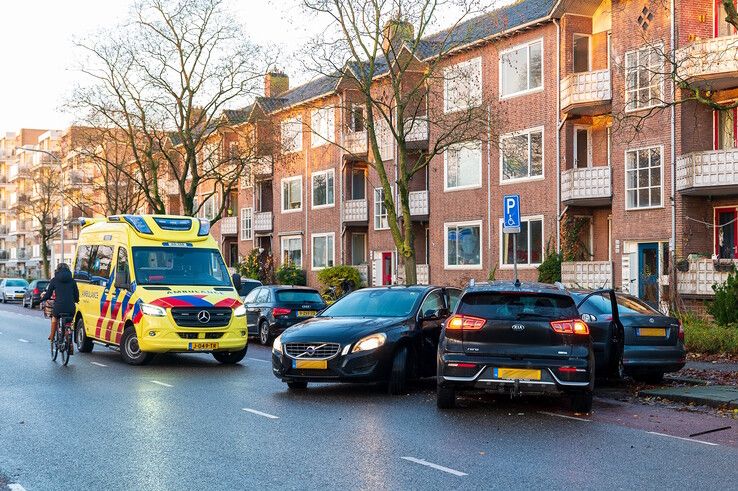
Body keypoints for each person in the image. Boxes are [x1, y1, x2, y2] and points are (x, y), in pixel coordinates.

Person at [40, 263, 80, 347]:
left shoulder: (54, 280)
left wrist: (42, 300)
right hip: (70, 307)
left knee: (54, 317)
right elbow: (76, 294)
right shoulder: (72, 281)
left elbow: (48, 294)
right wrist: (76, 300)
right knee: (69, 321)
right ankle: (69, 340)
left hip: (59, 306)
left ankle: (52, 335)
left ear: (57, 270)